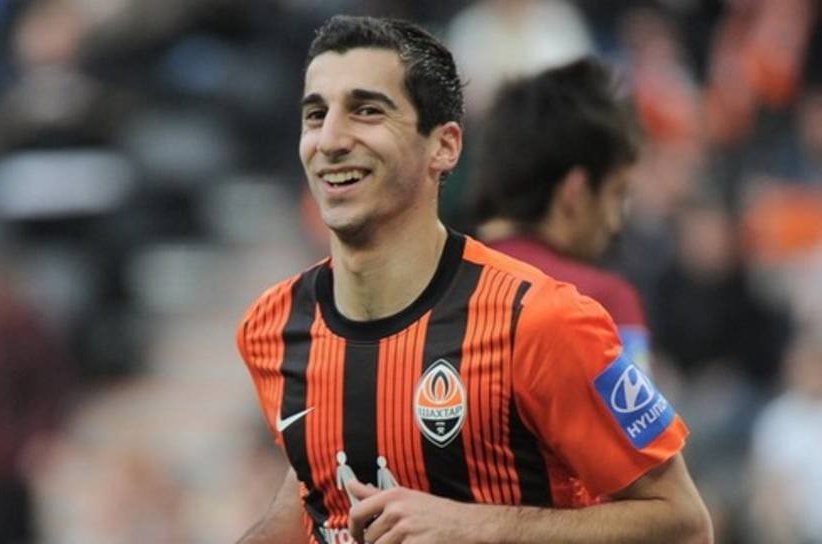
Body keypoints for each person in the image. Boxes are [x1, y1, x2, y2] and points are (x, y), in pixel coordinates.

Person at [235, 15, 712, 544]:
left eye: (367, 110)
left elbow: (684, 524)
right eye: (316, 114)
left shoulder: (542, 321)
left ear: (444, 147)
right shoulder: (272, 327)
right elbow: (312, 497)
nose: (330, 139)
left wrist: (476, 526)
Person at [469, 58, 653, 373]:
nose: (615, 223)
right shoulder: (600, 302)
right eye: (616, 193)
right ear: (575, 191)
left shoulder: (434, 288)